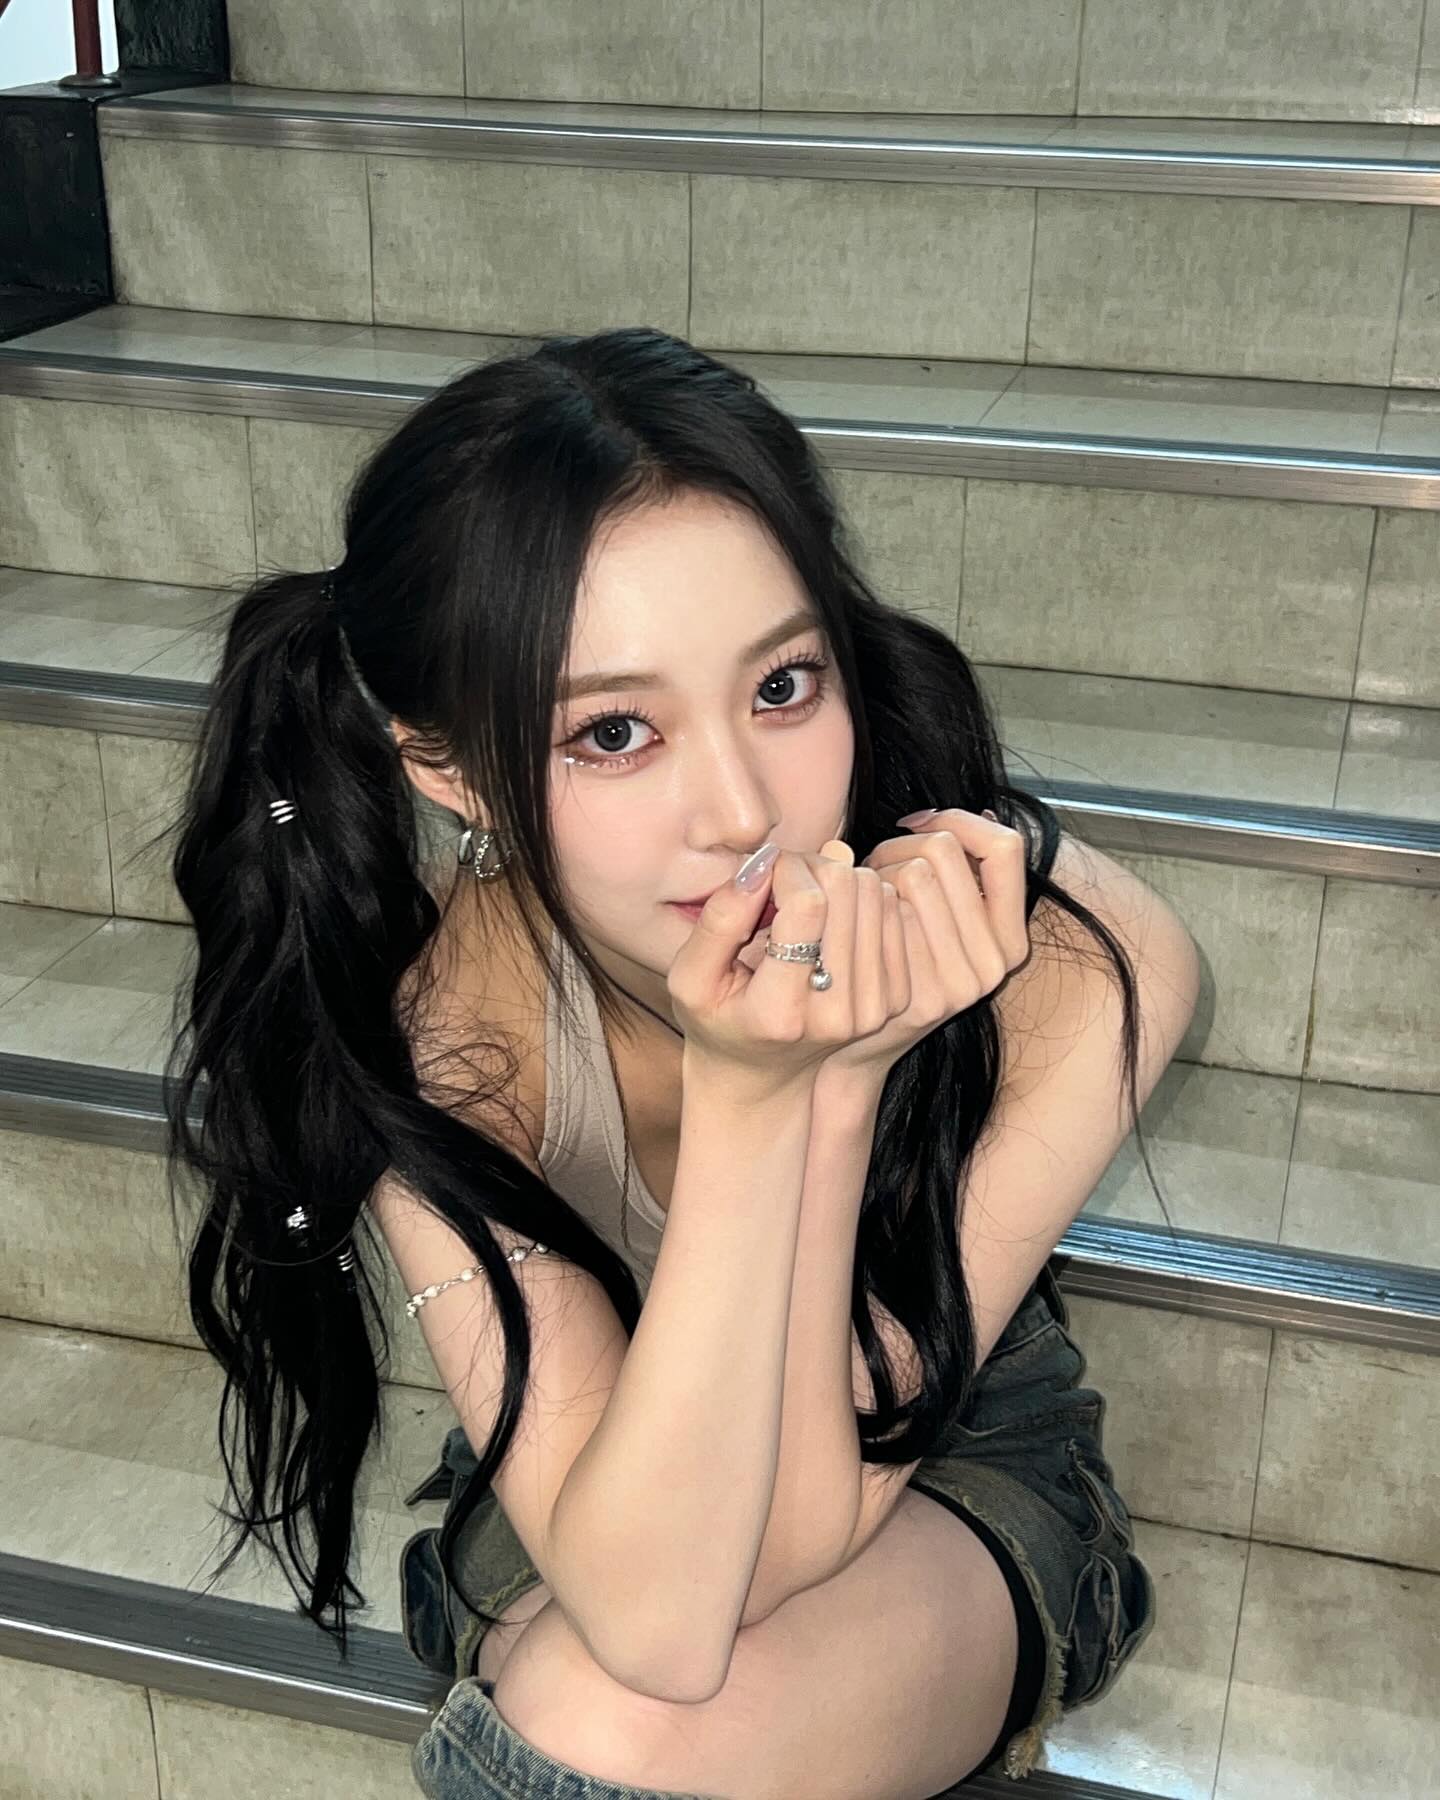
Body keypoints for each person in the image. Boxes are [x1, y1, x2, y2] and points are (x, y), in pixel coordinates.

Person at [155, 327, 1197, 1799]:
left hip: (951, 1448)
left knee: (605, 1721)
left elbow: (767, 1554)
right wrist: (771, 1098)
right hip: (602, 1455)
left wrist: (829, 1095)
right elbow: (663, 1603)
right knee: (617, 1685)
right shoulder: (449, 1035)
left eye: (782, 687)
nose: (742, 813)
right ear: (448, 768)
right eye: (616, 731)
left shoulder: (1068, 958)